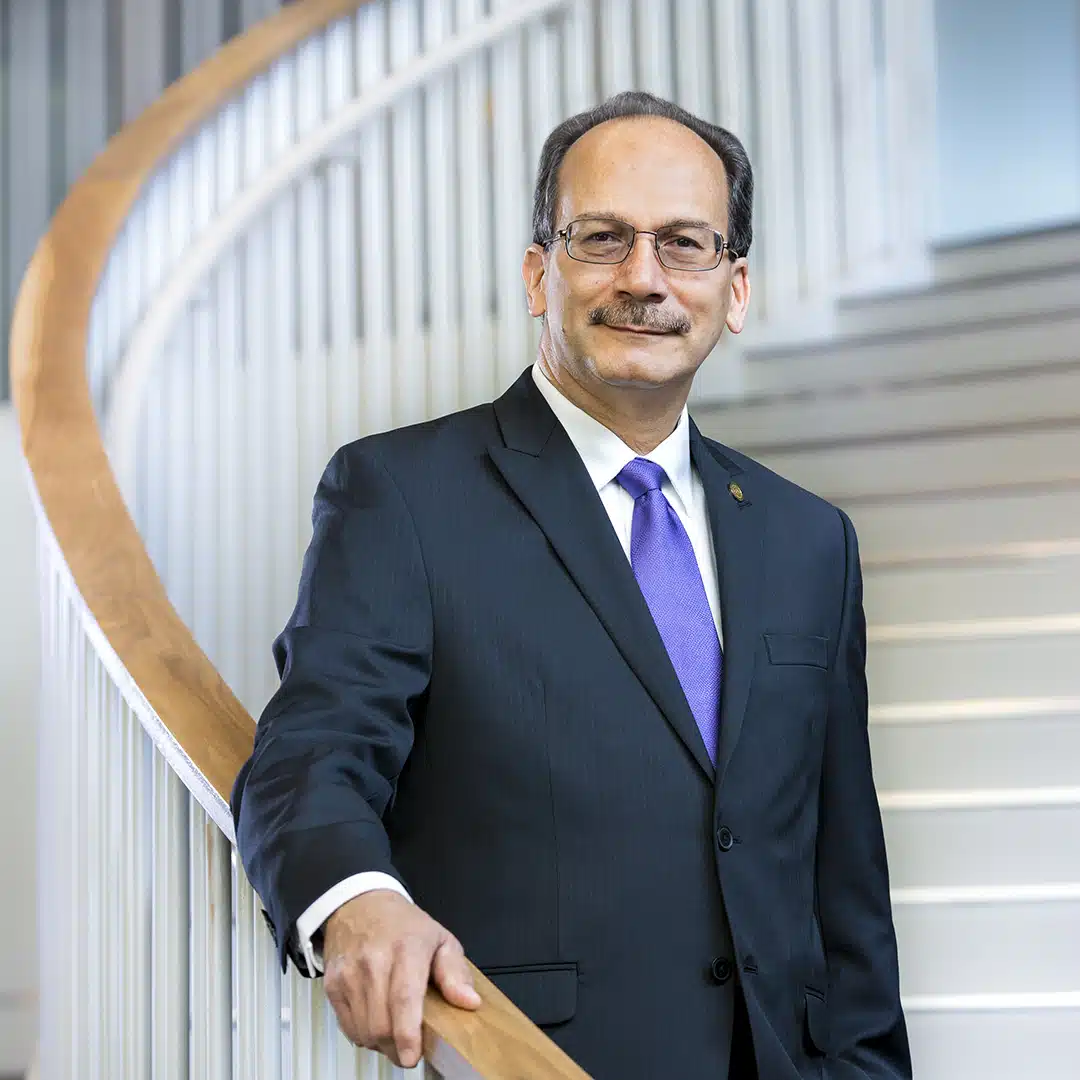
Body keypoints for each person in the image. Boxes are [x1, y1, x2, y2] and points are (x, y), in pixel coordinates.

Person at [231, 90, 911, 1080]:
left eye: (685, 243)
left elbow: (844, 880)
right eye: (603, 238)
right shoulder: (402, 495)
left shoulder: (811, 539)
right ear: (538, 273)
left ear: (737, 288)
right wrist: (356, 897)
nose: (645, 278)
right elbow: (313, 744)